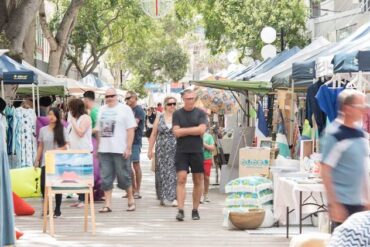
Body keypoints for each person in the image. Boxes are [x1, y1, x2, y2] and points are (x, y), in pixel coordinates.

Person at [320, 89, 370, 232]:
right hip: (343, 203)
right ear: (347, 109)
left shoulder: (361, 134)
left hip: (360, 203)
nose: (364, 110)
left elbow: (364, 169)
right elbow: (325, 170)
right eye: (361, 107)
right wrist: (334, 203)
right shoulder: (335, 135)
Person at [97, 88, 137, 212]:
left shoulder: (125, 109)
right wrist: (98, 147)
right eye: (107, 96)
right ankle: (108, 204)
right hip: (104, 149)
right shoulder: (101, 110)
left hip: (120, 149)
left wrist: (128, 147)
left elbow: (130, 129)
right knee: (106, 177)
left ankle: (130, 199)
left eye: (112, 96)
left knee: (124, 175)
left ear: (116, 96)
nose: (109, 98)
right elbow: (98, 129)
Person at [172, 89, 208, 221]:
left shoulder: (200, 113)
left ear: (195, 99)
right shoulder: (177, 114)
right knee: (181, 179)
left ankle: (195, 209)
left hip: (197, 150)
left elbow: (202, 130)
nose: (190, 101)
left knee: (198, 180)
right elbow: (176, 132)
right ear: (183, 99)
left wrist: (183, 130)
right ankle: (180, 210)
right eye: (188, 99)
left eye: (192, 98)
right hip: (182, 151)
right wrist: (194, 130)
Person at [34, 107, 69, 218]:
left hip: (58, 161)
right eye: (49, 114)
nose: (51, 117)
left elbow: (65, 147)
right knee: (44, 185)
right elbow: (40, 146)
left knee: (57, 186)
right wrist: (37, 159)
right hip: (46, 161)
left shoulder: (62, 129)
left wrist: (55, 151)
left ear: (58, 116)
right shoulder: (43, 130)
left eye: (53, 114)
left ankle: (57, 208)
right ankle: (47, 207)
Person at [148, 96, 177, 206]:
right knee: (162, 172)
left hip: (175, 149)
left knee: (174, 172)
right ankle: (163, 196)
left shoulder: (178, 117)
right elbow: (154, 134)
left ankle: (174, 197)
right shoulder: (159, 117)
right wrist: (150, 150)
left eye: (174, 103)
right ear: (165, 105)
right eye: (170, 104)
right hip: (161, 149)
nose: (172, 106)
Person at [67, 98, 93, 208]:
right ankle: (80, 198)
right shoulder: (75, 119)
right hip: (74, 151)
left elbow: (81, 132)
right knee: (77, 176)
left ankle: (84, 199)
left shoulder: (85, 118)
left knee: (83, 176)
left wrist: (72, 121)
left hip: (83, 151)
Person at [83, 90, 104, 201]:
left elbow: (98, 130)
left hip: (95, 143)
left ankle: (98, 193)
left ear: (86, 99)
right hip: (94, 143)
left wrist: (99, 146)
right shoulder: (93, 111)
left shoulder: (94, 112)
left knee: (96, 169)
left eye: (84, 100)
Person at [125, 91, 146, 199]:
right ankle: (131, 189)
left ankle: (137, 190)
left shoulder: (138, 110)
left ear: (134, 98)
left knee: (136, 165)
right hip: (126, 141)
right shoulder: (127, 110)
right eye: (126, 98)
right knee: (127, 167)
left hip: (135, 141)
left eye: (129, 98)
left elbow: (134, 124)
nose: (127, 100)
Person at [202, 127, 215, 203]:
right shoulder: (196, 136)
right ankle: (199, 194)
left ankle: (206, 194)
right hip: (198, 158)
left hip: (207, 158)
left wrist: (204, 144)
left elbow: (212, 148)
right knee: (199, 177)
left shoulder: (209, 136)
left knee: (206, 177)